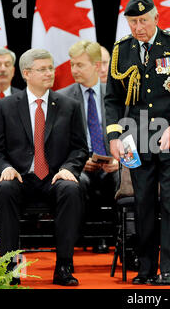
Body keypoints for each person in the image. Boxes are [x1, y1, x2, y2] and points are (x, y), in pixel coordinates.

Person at [104, 0, 170, 285]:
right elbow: (112, 98)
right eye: (133, 22)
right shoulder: (121, 50)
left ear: (156, 19)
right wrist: (113, 135)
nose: (138, 27)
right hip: (136, 137)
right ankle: (146, 270)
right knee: (144, 204)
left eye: (143, 21)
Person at [0, 48, 88, 286]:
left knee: (71, 188)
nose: (49, 73)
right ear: (26, 73)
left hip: (54, 177)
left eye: (51, 68)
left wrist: (69, 169)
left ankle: (64, 266)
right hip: (21, 177)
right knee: (6, 187)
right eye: (43, 69)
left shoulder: (69, 105)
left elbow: (80, 149)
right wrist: (4, 168)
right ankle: (10, 267)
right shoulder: (6, 106)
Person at [58, 40, 119, 254]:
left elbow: (130, 132)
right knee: (76, 182)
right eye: (72, 65)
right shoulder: (62, 98)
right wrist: (78, 162)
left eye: (80, 65)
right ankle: (73, 244)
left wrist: (120, 161)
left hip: (112, 163)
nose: (74, 70)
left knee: (126, 178)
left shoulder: (115, 95)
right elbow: (56, 142)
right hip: (79, 166)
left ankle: (127, 245)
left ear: (96, 66)